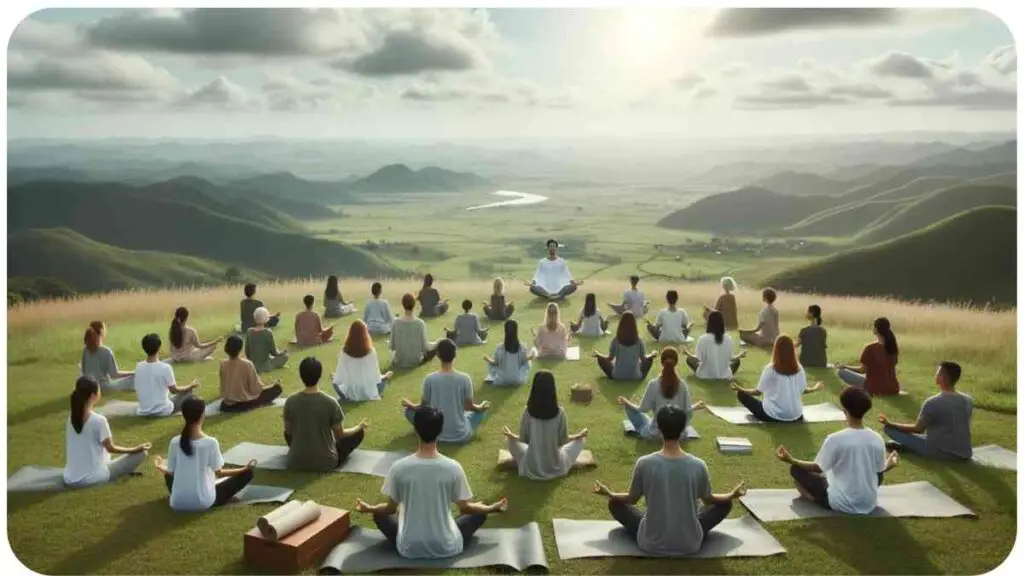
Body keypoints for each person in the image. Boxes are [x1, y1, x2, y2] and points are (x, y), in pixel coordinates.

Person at [354, 407, 508, 559]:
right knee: (479, 512)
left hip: (410, 547)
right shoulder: (452, 467)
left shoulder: (399, 467)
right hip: (447, 545)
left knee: (379, 514)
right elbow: (466, 508)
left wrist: (370, 508)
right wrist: (490, 508)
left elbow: (389, 509)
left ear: (415, 429)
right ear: (440, 431)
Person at [592, 406, 747, 556]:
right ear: (684, 430)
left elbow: (631, 499)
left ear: (658, 429)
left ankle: (658, 520)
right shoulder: (698, 465)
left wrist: (609, 493)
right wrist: (731, 495)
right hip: (690, 543)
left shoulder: (644, 463)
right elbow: (709, 500)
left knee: (615, 503)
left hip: (650, 543)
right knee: (725, 503)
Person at [776, 387, 900, 514]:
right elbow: (880, 469)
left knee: (796, 469)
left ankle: (814, 498)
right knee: (876, 473)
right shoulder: (877, 438)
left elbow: (818, 468)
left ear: (844, 410)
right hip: (869, 503)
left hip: (840, 503)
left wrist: (790, 460)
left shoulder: (835, 439)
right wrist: (890, 462)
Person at [154, 397, 256, 511]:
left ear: (184, 415)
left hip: (177, 502)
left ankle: (185, 495)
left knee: (169, 475)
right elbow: (219, 472)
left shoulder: (175, 442)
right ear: (202, 415)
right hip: (204, 502)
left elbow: (170, 472)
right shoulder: (210, 443)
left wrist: (160, 465)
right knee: (248, 474)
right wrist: (244, 469)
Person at [284, 357, 369, 471]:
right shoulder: (330, 402)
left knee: (288, 433)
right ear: (319, 375)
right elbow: (340, 434)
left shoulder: (290, 401)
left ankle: (301, 453)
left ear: (301, 375)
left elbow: (288, 432)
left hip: (295, 461)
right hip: (326, 462)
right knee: (358, 433)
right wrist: (359, 427)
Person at [64, 377, 150, 488]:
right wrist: (135, 449)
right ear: (93, 396)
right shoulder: (98, 420)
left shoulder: (70, 419)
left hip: (70, 477)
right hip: (93, 477)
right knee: (142, 454)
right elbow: (111, 448)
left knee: (106, 456)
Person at [501, 371, 589, 480]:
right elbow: (563, 441)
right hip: (556, 466)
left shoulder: (528, 412)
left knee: (510, 441)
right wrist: (579, 435)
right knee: (581, 441)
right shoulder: (560, 413)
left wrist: (511, 436)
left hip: (531, 466)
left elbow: (524, 439)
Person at [879, 362, 972, 460]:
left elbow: (918, 429)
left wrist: (890, 423)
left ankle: (911, 449)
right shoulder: (968, 400)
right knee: (921, 437)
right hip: (964, 452)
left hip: (939, 450)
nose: (935, 374)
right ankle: (909, 448)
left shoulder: (933, 402)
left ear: (943, 376)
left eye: (938, 372)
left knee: (889, 429)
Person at [401, 340, 489, 444]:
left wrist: (409, 404)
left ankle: (423, 429)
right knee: (480, 412)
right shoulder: (465, 379)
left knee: (408, 411)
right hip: (460, 434)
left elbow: (423, 407)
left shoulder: (430, 379)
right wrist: (481, 407)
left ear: (438, 355)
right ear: (454, 355)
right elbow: (469, 407)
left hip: (434, 433)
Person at [730, 336, 824, 423]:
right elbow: (803, 390)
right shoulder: (799, 369)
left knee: (742, 395)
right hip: (796, 416)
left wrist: (740, 389)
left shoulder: (770, 369)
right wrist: (815, 388)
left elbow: (758, 392)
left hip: (772, 416)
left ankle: (771, 407)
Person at [618, 348, 705, 439]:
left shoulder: (653, 384)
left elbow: (642, 409)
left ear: (661, 362)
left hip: (656, 433)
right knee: (681, 416)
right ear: (676, 363)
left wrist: (626, 402)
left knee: (635, 412)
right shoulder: (682, 385)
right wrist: (695, 406)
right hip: (678, 434)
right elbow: (687, 410)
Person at [134, 334, 200, 417]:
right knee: (189, 392)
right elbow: (174, 390)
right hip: (163, 410)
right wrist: (190, 386)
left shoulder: (138, 366)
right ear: (158, 348)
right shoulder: (165, 368)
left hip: (143, 410)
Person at [835, 317, 901, 396]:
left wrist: (845, 366)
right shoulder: (893, 347)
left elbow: (862, 370)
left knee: (841, 372)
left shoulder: (870, 348)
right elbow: (892, 365)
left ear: (876, 329)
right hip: (893, 388)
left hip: (874, 388)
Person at [218, 335, 283, 413]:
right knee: (277, 388)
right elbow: (256, 389)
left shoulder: (223, 364)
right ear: (240, 348)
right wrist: (273, 385)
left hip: (226, 404)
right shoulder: (247, 364)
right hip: (243, 403)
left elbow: (223, 387)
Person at [332, 320, 394, 402]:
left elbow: (339, 377)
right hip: (368, 390)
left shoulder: (344, 351)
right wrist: (385, 376)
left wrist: (335, 377)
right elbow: (375, 377)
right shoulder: (371, 352)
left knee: (336, 383)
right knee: (385, 378)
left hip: (350, 390)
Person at [595, 312, 656, 381]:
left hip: (617, 376)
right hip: (636, 376)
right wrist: (652, 354)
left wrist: (599, 355)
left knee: (600, 359)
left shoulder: (616, 340)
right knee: (650, 359)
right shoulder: (639, 340)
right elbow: (643, 359)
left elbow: (609, 359)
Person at [682, 311, 744, 379]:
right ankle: (725, 374)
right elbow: (731, 358)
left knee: (689, 359)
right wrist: (740, 355)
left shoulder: (703, 339)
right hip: (725, 375)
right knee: (736, 362)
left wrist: (687, 353)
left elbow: (698, 358)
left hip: (705, 375)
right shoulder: (728, 339)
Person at [81, 321, 135, 392]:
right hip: (103, 387)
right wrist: (133, 373)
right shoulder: (106, 351)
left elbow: (84, 372)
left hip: (88, 386)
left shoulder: (85, 350)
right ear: (102, 331)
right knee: (133, 378)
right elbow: (114, 375)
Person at [390, 294, 438, 368]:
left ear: (403, 304)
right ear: (414, 305)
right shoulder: (420, 323)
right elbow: (425, 348)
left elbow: (392, 346)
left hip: (398, 361)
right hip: (416, 361)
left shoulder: (395, 323)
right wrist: (437, 342)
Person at [484, 320, 532, 387]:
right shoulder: (522, 347)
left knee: (491, 364)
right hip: (518, 380)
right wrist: (531, 356)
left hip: (502, 380)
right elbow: (524, 360)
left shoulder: (499, 347)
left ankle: (495, 376)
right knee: (527, 361)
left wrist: (487, 359)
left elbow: (495, 363)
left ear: (505, 331)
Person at [245, 307, 289, 373]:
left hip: (252, 365)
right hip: (265, 366)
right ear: (266, 318)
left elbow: (247, 351)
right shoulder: (268, 332)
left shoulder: (249, 331)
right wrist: (282, 352)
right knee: (285, 356)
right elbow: (274, 352)